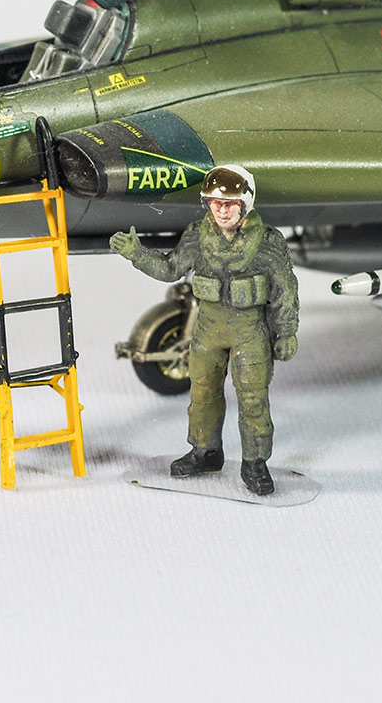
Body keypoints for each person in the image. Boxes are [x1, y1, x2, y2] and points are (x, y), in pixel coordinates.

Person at [110, 164, 299, 495]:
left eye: (230, 203)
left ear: (245, 203)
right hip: (208, 329)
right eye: (215, 203)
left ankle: (255, 462)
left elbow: (285, 289)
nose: (222, 211)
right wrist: (137, 254)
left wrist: (286, 332)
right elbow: (171, 269)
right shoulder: (198, 237)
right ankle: (205, 452)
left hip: (249, 331)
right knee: (202, 393)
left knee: (253, 398)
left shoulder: (268, 242)